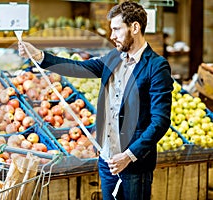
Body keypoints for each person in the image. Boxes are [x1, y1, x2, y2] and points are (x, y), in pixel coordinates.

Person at [18, 1, 173, 199]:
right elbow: (77, 67)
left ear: (135, 27)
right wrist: (39, 55)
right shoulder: (113, 58)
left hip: (134, 165)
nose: (112, 36)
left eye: (117, 29)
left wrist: (128, 155)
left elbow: (160, 121)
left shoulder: (156, 67)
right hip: (107, 161)